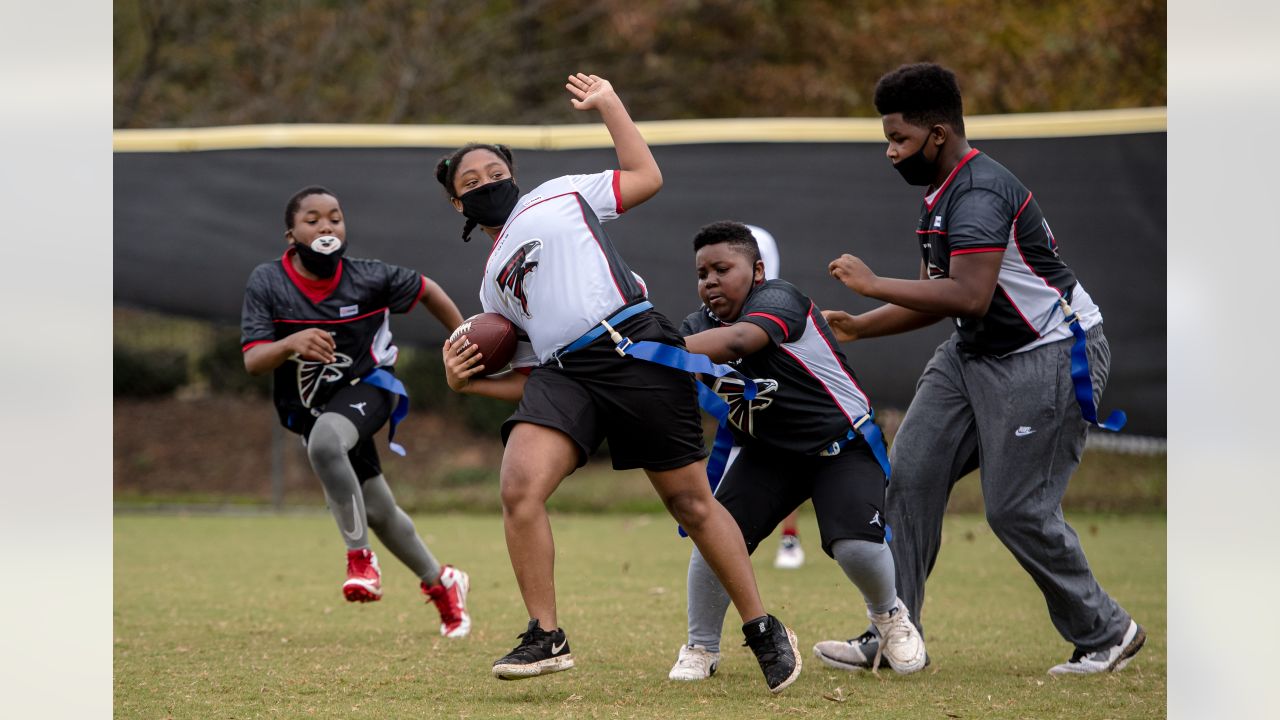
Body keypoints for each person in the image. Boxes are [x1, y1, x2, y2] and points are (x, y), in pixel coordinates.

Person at [435, 73, 800, 692]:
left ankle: (762, 626)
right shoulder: (492, 283)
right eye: (470, 183)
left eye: (494, 172)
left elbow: (646, 176)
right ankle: (545, 635)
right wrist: (464, 380)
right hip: (564, 373)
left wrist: (609, 105)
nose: (486, 184)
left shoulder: (558, 194)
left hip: (631, 342)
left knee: (689, 502)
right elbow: (525, 372)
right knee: (519, 487)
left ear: (515, 175)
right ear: (457, 205)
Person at [818, 63, 1144, 675]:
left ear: (938, 134)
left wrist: (869, 285)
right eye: (887, 139)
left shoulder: (981, 193)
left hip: (1047, 354)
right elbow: (935, 295)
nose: (890, 152)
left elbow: (967, 294)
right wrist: (866, 325)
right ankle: (893, 633)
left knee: (1017, 509)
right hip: (973, 354)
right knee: (908, 479)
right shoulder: (940, 195)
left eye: (900, 140)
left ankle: (1107, 631)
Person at [665, 221, 925, 682]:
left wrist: (656, 349)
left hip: (841, 445)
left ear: (758, 271)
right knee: (714, 537)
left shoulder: (781, 299)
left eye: (723, 268)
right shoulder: (695, 328)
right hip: (770, 454)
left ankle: (889, 618)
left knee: (856, 549)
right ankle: (700, 646)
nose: (710, 281)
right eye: (702, 273)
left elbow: (740, 342)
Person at [240, 185, 473, 638]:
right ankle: (442, 581)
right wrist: (290, 343)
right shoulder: (267, 282)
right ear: (291, 233)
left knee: (327, 444)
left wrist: (463, 336)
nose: (326, 226)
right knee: (380, 511)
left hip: (371, 387)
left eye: (335, 217)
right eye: (313, 220)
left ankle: (360, 561)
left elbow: (428, 289)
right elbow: (253, 361)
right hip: (310, 406)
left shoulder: (368, 277)